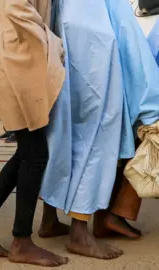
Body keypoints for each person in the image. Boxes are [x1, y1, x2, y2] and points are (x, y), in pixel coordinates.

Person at [39, 0, 159, 260]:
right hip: (95, 57)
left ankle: (48, 219)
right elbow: (125, 36)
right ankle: (79, 232)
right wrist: (149, 102)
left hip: (64, 48)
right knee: (94, 141)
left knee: (61, 138)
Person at [0, 0, 69, 267]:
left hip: (20, 63)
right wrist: (55, 42)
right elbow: (15, 7)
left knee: (27, 152)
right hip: (16, 65)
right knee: (35, 156)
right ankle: (21, 242)